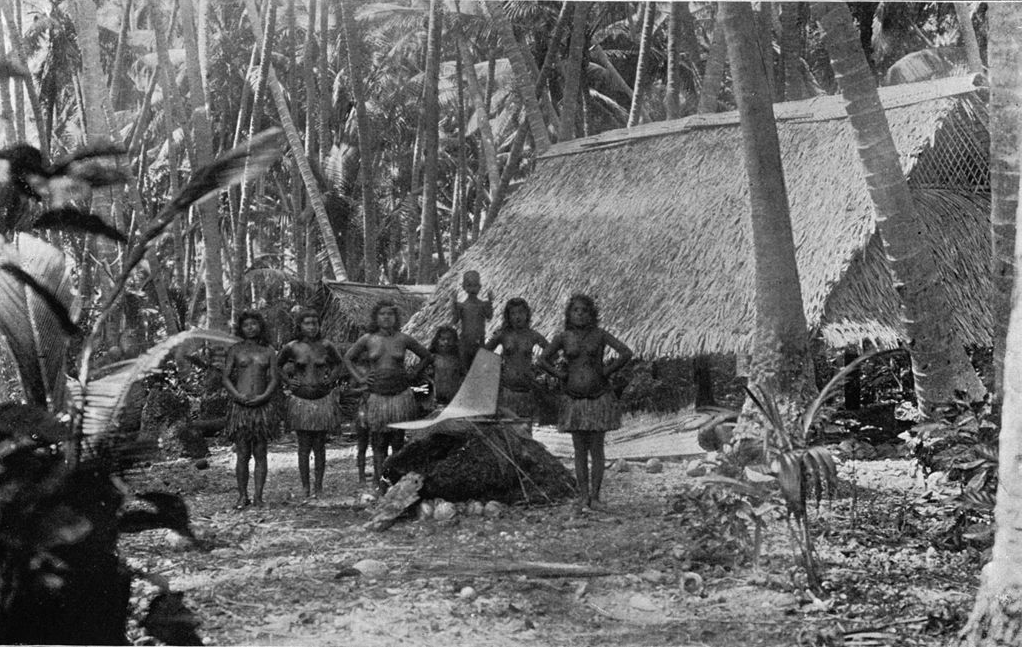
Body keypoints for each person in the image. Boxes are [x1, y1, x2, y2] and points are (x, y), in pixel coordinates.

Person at [538, 294, 632, 512]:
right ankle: (583, 497)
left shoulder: (599, 335)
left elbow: (625, 352)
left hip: (598, 397)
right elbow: (542, 359)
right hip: (574, 399)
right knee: (579, 449)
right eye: (576, 310)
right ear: (569, 314)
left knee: (597, 448)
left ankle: (596, 497)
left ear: (592, 314)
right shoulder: (564, 337)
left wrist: (606, 372)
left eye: (584, 310)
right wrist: (559, 374)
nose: (580, 314)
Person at [344, 300, 433, 490]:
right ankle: (379, 482)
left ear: (395, 317)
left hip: (400, 395)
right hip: (377, 396)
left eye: (390, 314)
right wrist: (361, 378)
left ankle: (395, 482)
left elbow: (427, 356)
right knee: (379, 442)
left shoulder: (403, 339)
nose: (386, 317)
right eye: (382, 314)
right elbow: (348, 358)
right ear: (376, 317)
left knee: (398, 442)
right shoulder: (368, 339)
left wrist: (414, 373)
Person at [278, 308, 344, 499]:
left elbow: (339, 364)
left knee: (320, 446)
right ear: (300, 326)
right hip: (301, 401)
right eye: (307, 323)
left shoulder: (326, 345)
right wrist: (288, 381)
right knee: (304, 446)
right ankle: (305, 487)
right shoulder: (292, 347)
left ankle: (319, 486)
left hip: (322, 400)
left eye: (315, 323)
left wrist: (331, 378)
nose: (312, 327)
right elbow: (276, 365)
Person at [222, 310, 280, 509]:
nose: (250, 328)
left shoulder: (268, 351)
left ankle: (259, 496)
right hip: (241, 407)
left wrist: (264, 396)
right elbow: (226, 377)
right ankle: (242, 496)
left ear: (260, 326)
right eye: (246, 325)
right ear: (241, 328)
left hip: (262, 407)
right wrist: (237, 396)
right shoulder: (235, 350)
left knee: (260, 452)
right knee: (243, 453)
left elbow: (274, 378)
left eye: (254, 324)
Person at [484, 298, 548, 431]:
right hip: (508, 390)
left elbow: (553, 353)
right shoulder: (503, 335)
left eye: (521, 312)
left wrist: (540, 354)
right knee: (508, 431)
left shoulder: (533, 336)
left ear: (527, 314)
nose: (517, 316)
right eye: (513, 313)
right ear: (508, 316)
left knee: (525, 430)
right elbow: (484, 351)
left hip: (526, 390)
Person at [451, 270, 493, 370]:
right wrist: (454, 303)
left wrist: (490, 302)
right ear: (464, 287)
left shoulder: (483, 305)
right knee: (464, 368)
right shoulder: (461, 306)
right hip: (465, 343)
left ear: (479, 287)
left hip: (479, 342)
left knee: (478, 369)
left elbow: (489, 316)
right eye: (469, 285)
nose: (472, 289)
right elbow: (455, 320)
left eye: (475, 285)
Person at [428, 325, 465, 407]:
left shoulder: (459, 359)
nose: (446, 342)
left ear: (455, 341)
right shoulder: (432, 358)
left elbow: (464, 376)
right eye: (443, 339)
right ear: (437, 340)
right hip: (437, 401)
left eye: (449, 339)